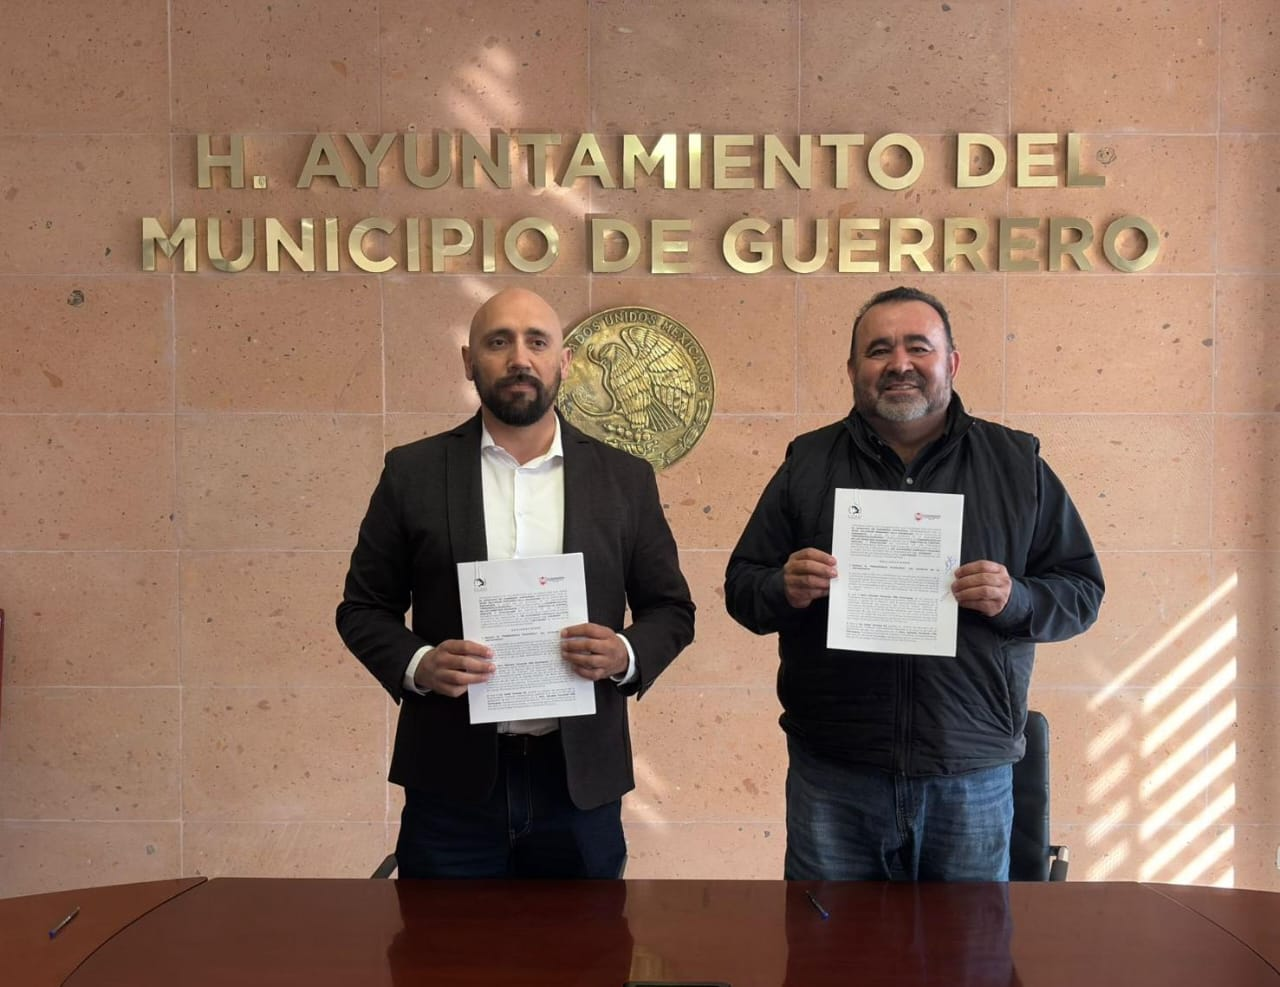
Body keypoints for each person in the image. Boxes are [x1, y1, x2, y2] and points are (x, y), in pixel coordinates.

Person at [724, 285, 1103, 882]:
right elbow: (742, 587)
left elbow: (1082, 591)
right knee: (828, 940)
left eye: (918, 347)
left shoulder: (1016, 464)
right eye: (878, 350)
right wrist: (783, 588)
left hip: (969, 773)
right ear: (853, 370)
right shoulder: (808, 462)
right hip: (835, 773)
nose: (899, 363)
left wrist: (1017, 599)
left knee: (969, 943)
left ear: (951, 362)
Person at [337, 287, 694, 879]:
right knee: (440, 941)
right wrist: (420, 663)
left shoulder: (624, 478)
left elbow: (671, 609)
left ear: (564, 362)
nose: (519, 358)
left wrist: (625, 653)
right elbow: (363, 608)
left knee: (585, 941)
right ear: (469, 362)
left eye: (537, 342)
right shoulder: (413, 472)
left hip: (579, 786)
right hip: (451, 784)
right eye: (498, 341)